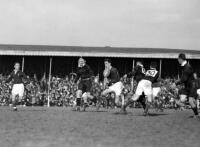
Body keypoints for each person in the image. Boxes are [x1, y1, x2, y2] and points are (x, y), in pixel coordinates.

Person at [174, 53, 199, 118]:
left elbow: (184, 78)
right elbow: (184, 78)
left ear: (180, 59)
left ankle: (196, 114)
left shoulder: (187, 67)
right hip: (187, 86)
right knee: (179, 101)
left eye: (178, 59)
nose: (177, 60)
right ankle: (190, 108)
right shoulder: (184, 66)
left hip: (192, 86)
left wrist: (175, 83)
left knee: (190, 101)